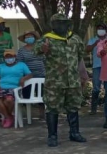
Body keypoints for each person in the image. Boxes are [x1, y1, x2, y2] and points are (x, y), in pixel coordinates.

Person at [35, 13, 89, 147]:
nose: (61, 25)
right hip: (55, 82)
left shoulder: (75, 39)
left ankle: (74, 133)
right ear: (53, 25)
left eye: (64, 23)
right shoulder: (47, 39)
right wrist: (44, 49)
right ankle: (52, 136)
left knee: (73, 107)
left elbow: (80, 56)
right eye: (58, 23)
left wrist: (83, 74)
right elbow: (36, 51)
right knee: (52, 109)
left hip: (73, 81)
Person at [0, 49, 32, 128]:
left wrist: (23, 79)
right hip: (2, 88)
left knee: (9, 100)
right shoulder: (1, 66)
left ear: (15, 57)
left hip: (15, 88)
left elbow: (30, 75)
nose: (9, 58)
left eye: (11, 56)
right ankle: (9, 117)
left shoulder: (22, 65)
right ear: (4, 58)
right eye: (7, 57)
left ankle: (7, 116)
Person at [17, 31, 46, 118]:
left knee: (41, 94)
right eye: (27, 37)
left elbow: (45, 60)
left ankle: (42, 113)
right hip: (27, 76)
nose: (29, 38)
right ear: (25, 39)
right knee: (26, 94)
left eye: (31, 36)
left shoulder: (40, 48)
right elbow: (19, 63)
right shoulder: (21, 50)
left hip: (41, 74)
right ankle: (27, 113)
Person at [86, 22, 107, 115]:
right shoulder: (92, 39)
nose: (100, 30)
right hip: (96, 66)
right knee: (96, 88)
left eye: (102, 28)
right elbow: (87, 49)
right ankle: (93, 109)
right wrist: (95, 43)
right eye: (99, 28)